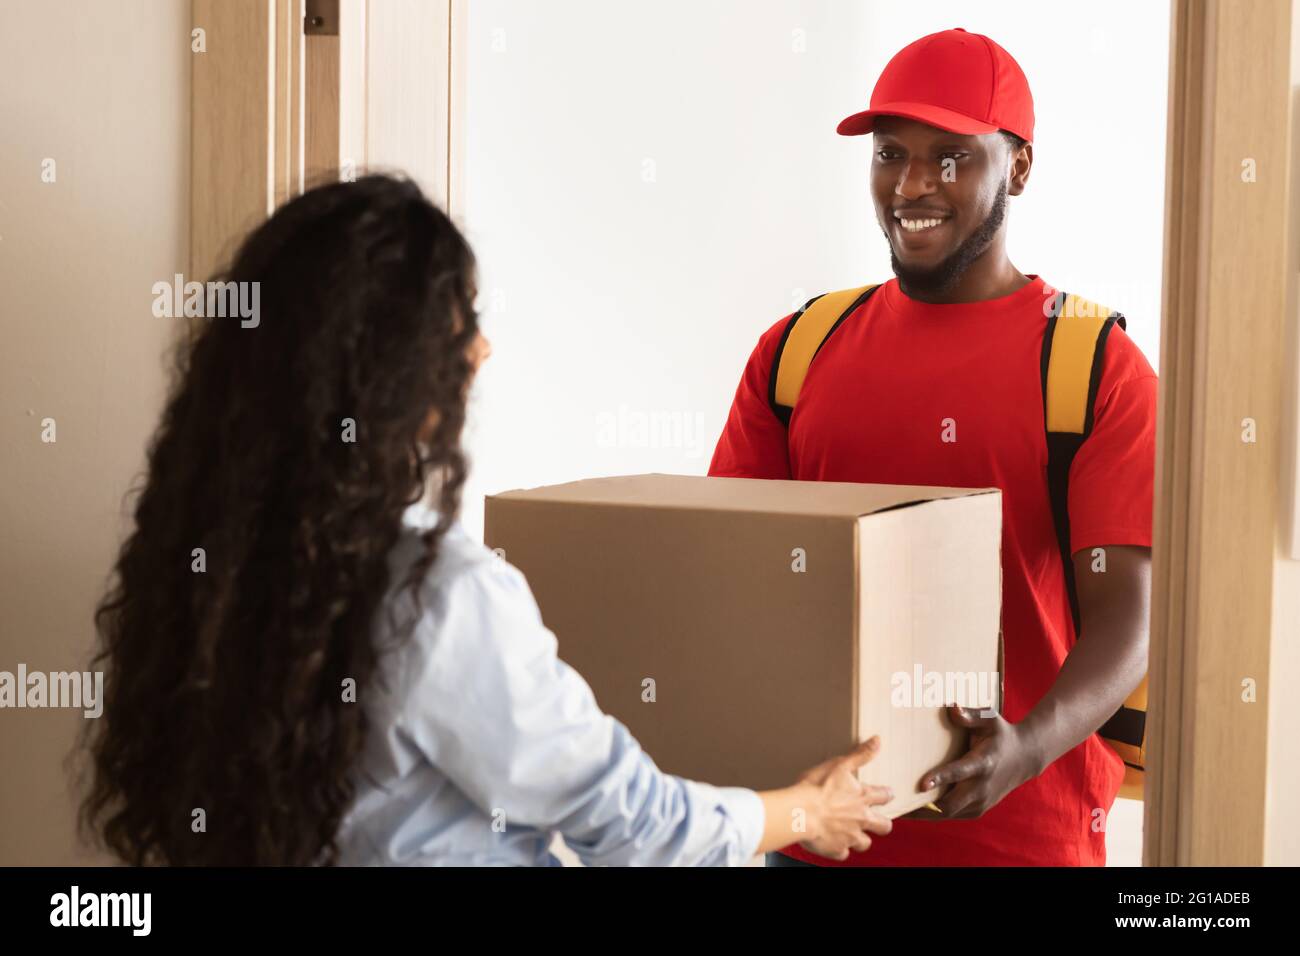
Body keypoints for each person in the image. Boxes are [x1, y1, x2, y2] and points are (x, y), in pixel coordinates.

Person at [80, 174, 892, 866]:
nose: (482, 350)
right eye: (462, 321)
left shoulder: (200, 564)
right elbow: (628, 822)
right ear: (391, 370)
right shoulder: (437, 595)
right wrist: (804, 811)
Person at [710, 28, 1156, 867]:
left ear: (1017, 167)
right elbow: (738, 572)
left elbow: (1130, 617)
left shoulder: (1092, 364)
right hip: (815, 843)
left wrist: (1024, 749)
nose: (913, 184)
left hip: (1023, 844)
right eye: (890, 154)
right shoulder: (796, 351)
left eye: (951, 156)